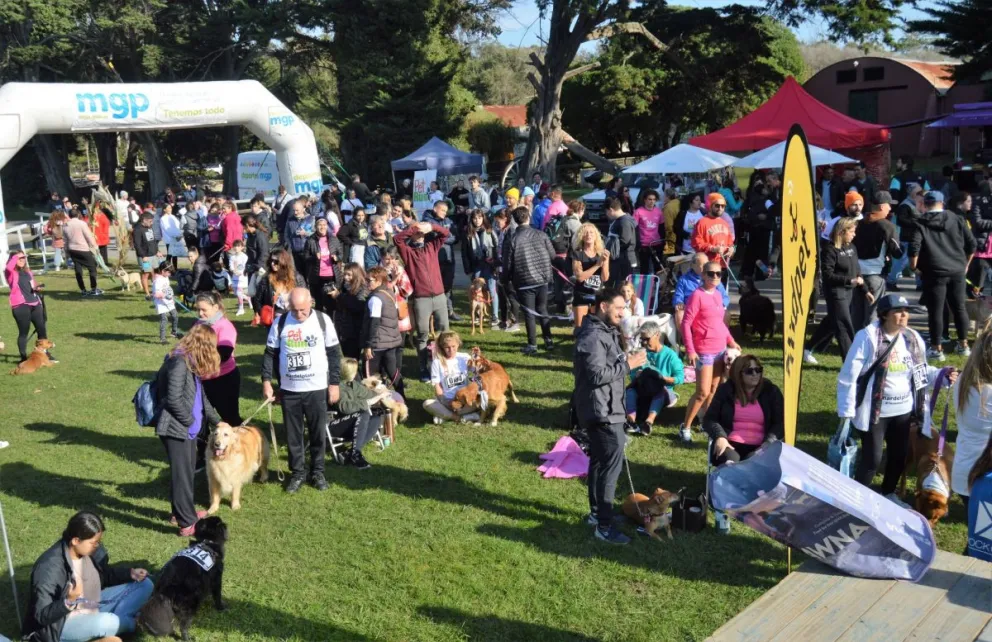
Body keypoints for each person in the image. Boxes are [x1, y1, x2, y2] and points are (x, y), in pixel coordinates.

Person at [837, 293, 949, 501]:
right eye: (898, 311)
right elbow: (848, 375)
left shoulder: (912, 338)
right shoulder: (867, 337)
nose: (904, 315)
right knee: (873, 459)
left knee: (898, 456)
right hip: (875, 412)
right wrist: (846, 411)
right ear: (884, 315)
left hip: (904, 411)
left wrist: (943, 375)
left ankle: (888, 494)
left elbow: (921, 371)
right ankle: (855, 499)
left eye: (906, 311)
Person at [574, 287, 647, 545]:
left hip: (607, 408)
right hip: (602, 412)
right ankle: (604, 527)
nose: (622, 312)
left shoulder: (604, 332)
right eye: (618, 308)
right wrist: (628, 365)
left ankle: (597, 515)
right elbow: (595, 376)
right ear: (603, 306)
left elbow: (605, 368)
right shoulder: (593, 336)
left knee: (599, 462)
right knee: (610, 468)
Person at [23, 511, 153, 642]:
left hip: (92, 603)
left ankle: (116, 623)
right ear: (76, 540)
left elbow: (102, 577)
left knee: (145, 584)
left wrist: (130, 574)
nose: (97, 545)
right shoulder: (49, 568)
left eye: (98, 541)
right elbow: (41, 616)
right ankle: (134, 623)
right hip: (63, 624)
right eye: (94, 542)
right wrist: (68, 601)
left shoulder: (87, 551)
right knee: (109, 621)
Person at [262, 287, 342, 493]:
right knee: (293, 434)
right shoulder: (280, 323)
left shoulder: (323, 321)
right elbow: (270, 353)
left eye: (303, 310)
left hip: (316, 388)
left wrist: (334, 383)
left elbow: (334, 354)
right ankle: (297, 473)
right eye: (295, 310)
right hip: (290, 390)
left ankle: (318, 472)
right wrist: (266, 381)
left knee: (317, 433)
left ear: (311, 303)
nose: (299, 314)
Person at [156, 325, 228, 535]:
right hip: (176, 429)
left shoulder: (189, 361)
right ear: (204, 344)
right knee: (181, 475)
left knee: (186, 473)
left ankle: (180, 513)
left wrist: (218, 421)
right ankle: (187, 522)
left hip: (187, 429)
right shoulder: (179, 362)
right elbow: (173, 399)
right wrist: (190, 421)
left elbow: (201, 398)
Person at [909, 190, 977, 360]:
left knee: (936, 311)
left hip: (933, 271)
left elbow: (914, 247)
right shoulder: (956, 218)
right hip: (957, 269)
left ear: (925, 204)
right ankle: (963, 345)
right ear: (942, 203)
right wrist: (966, 265)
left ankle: (936, 348)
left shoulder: (920, 222)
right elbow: (972, 244)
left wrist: (914, 267)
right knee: (959, 307)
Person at [680, 261, 741, 442]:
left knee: (714, 389)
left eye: (718, 273)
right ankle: (686, 427)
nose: (715, 277)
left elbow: (719, 324)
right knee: (702, 392)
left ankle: (707, 423)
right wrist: (690, 350)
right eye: (711, 273)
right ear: (703, 275)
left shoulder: (717, 295)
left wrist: (731, 340)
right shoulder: (696, 296)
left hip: (720, 349)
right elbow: (686, 323)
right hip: (704, 351)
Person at [804, 218, 868, 363]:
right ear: (841, 232)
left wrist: (865, 290)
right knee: (844, 324)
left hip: (849, 292)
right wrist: (849, 281)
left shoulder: (852, 247)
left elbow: (857, 270)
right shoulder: (830, 250)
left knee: (832, 322)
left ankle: (807, 349)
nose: (854, 235)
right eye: (851, 231)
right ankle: (851, 361)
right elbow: (828, 275)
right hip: (835, 293)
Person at [394, 220, 451, 381]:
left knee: (445, 331)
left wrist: (431, 227)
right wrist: (412, 229)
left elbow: (446, 233)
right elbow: (397, 239)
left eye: (421, 233)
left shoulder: (431, 246)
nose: (419, 235)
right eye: (416, 233)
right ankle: (423, 367)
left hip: (439, 296)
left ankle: (446, 364)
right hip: (421, 298)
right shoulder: (408, 251)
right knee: (422, 335)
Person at [703, 355, 784, 465]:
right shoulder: (725, 390)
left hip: (762, 444)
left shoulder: (771, 391)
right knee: (731, 463)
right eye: (749, 371)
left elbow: (780, 422)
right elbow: (709, 419)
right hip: (729, 442)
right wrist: (720, 437)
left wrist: (769, 442)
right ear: (738, 373)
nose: (755, 374)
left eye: (758, 370)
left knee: (752, 464)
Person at [951, 323, 992, 513]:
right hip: (984, 478)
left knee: (978, 538)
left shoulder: (964, 382)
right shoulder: (988, 394)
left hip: (964, 473)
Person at [505, 206, 555, 355]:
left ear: (514, 220)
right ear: (529, 217)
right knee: (542, 309)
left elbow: (507, 264)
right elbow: (552, 255)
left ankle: (532, 345)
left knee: (530, 313)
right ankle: (548, 340)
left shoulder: (513, 239)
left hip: (524, 281)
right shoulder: (541, 234)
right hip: (542, 278)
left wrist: (504, 280)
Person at [851, 192, 901, 330]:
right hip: (875, 274)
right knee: (872, 315)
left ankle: (855, 343)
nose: (890, 209)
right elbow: (897, 251)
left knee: (856, 313)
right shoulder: (887, 226)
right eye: (888, 206)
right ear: (881, 207)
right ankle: (870, 346)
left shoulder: (857, 223)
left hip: (856, 274)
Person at [624, 320, 683, 435]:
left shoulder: (670, 355)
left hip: (664, 390)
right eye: (642, 339)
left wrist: (662, 378)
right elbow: (632, 375)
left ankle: (648, 422)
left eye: (647, 339)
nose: (644, 343)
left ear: (657, 335)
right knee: (630, 391)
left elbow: (680, 378)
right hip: (644, 389)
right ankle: (631, 420)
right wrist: (636, 375)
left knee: (660, 391)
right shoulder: (642, 353)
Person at [194, 291, 243, 426]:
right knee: (200, 418)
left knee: (230, 418)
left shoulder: (225, 326)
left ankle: (239, 445)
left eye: (204, 310)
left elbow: (224, 354)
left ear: (215, 308)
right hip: (203, 380)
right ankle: (203, 446)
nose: (200, 313)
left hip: (224, 380)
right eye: (198, 309)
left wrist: (199, 361)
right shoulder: (198, 324)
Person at [360, 266, 405, 399]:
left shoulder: (375, 299)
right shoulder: (389, 293)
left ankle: (373, 401)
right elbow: (396, 313)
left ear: (379, 281)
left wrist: (369, 345)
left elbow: (374, 323)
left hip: (378, 343)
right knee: (393, 372)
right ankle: (402, 397)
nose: (367, 282)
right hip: (392, 341)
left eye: (370, 280)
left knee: (369, 376)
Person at [335, 358, 388, 469]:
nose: (356, 373)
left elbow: (369, 394)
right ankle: (355, 455)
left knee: (376, 419)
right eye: (355, 371)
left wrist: (380, 392)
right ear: (349, 372)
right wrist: (368, 402)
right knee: (363, 414)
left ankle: (350, 453)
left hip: (355, 424)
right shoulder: (338, 387)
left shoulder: (353, 384)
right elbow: (345, 408)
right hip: (337, 425)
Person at [422, 331, 481, 424]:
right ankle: (461, 417)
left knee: (481, 401)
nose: (451, 349)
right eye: (447, 347)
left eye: (453, 346)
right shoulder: (437, 362)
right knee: (427, 404)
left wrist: (476, 358)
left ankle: (445, 416)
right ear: (442, 347)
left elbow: (476, 371)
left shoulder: (464, 357)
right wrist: (447, 402)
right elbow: (438, 387)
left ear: (458, 344)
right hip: (446, 400)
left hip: (464, 400)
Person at [5, 251, 54, 364]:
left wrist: (37, 288)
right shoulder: (11, 272)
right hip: (21, 306)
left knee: (42, 329)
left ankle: (44, 354)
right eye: (20, 258)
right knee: (23, 333)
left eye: (24, 257)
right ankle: (23, 358)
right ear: (14, 259)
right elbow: (8, 267)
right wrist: (16, 256)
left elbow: (32, 285)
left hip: (35, 304)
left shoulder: (27, 272)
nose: (22, 259)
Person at [673, 252, 729, 343]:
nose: (705, 268)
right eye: (702, 265)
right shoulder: (684, 279)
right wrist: (679, 302)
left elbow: (724, 296)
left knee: (726, 314)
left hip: (711, 308)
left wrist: (722, 305)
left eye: (707, 265)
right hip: (691, 309)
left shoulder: (713, 276)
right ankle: (687, 340)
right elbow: (678, 295)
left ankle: (721, 339)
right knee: (679, 314)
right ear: (693, 265)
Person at [422, 200, 460, 320]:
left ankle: (450, 311)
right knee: (436, 288)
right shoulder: (427, 221)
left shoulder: (448, 221)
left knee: (448, 286)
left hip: (449, 258)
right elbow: (434, 237)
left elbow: (455, 237)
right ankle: (437, 314)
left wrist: (443, 238)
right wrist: (445, 237)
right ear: (435, 209)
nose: (445, 213)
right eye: (442, 210)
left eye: (446, 211)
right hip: (434, 260)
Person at [462, 209, 500, 327]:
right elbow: (465, 253)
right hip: (476, 265)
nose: (477, 220)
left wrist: (496, 265)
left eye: (479, 218)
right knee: (476, 290)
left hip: (489, 264)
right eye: (474, 218)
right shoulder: (468, 233)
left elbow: (497, 248)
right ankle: (478, 315)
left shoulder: (490, 231)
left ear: (483, 218)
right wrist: (467, 269)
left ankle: (494, 316)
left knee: (492, 289)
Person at [252, 249, 306, 326]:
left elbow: (305, 297)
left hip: (294, 314)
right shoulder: (266, 279)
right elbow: (257, 299)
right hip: (275, 317)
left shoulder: (296, 278)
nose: (272, 264)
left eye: (276, 261)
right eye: (271, 261)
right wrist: (263, 313)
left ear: (283, 262)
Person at [572, 222, 610, 331]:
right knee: (579, 328)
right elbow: (580, 277)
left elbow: (605, 278)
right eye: (586, 233)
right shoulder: (577, 254)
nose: (589, 235)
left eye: (592, 233)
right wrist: (597, 265)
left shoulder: (602, 253)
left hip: (597, 294)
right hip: (581, 293)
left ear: (596, 236)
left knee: (597, 327)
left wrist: (605, 262)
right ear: (582, 236)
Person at [887, 183, 925, 291]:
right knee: (902, 262)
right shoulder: (905, 205)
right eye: (918, 192)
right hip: (908, 238)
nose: (921, 194)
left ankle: (920, 283)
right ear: (912, 193)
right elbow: (901, 221)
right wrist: (916, 223)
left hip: (916, 238)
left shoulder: (917, 204)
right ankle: (891, 281)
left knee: (918, 261)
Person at [303, 217, 343, 317]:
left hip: (331, 275)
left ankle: (330, 322)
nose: (322, 227)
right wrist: (314, 258)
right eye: (319, 225)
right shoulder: (311, 240)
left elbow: (341, 254)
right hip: (316, 276)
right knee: (318, 302)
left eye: (324, 225)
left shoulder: (333, 239)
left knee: (330, 303)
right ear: (316, 227)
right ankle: (319, 322)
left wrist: (336, 257)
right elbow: (305, 257)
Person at [329, 263, 368, 359]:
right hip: (343, 327)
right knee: (344, 356)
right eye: (344, 274)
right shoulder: (344, 286)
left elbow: (357, 305)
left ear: (356, 274)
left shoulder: (362, 288)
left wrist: (339, 296)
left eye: (349, 275)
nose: (346, 277)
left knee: (352, 358)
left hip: (355, 330)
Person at [64, 208, 102, 297]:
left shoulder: (65, 225)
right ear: (78, 215)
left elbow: (65, 240)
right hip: (83, 248)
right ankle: (93, 288)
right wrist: (95, 247)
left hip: (72, 249)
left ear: (69, 215)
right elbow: (89, 236)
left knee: (78, 270)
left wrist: (66, 252)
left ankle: (83, 290)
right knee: (92, 268)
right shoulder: (82, 224)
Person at [691, 193, 735, 265]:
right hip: (707, 266)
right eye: (717, 205)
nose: (720, 208)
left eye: (723, 206)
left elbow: (730, 243)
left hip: (723, 265)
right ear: (710, 206)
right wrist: (712, 248)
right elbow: (696, 244)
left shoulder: (725, 223)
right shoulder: (701, 222)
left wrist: (732, 249)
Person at [604, 197, 638, 286]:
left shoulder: (624, 222)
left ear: (610, 210)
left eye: (606, 212)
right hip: (620, 259)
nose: (606, 214)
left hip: (624, 260)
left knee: (622, 286)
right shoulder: (620, 220)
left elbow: (625, 241)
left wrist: (610, 248)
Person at [283, 199, 315, 281]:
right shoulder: (290, 220)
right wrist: (290, 244)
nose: (295, 212)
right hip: (295, 252)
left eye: (297, 210)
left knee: (309, 274)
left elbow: (315, 233)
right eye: (294, 210)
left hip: (308, 252)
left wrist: (306, 233)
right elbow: (286, 234)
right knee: (300, 275)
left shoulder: (310, 219)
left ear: (303, 209)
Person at [633, 189, 664, 274]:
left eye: (654, 199)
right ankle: (644, 285)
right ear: (645, 200)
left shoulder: (658, 211)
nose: (652, 201)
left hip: (656, 243)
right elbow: (634, 229)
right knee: (644, 267)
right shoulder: (638, 212)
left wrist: (662, 241)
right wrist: (637, 243)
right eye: (649, 199)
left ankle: (658, 285)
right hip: (644, 245)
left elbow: (661, 227)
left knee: (658, 267)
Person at [132, 212, 162, 299]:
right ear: (144, 220)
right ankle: (147, 295)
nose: (151, 223)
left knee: (154, 273)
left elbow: (153, 241)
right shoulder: (137, 230)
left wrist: (157, 251)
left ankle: (155, 291)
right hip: (145, 257)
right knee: (145, 274)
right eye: (150, 221)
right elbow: (137, 245)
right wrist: (143, 256)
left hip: (153, 255)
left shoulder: (149, 227)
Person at [152, 263, 180, 345]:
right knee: (164, 320)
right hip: (161, 303)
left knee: (175, 316)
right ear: (163, 271)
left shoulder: (166, 277)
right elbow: (156, 294)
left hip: (169, 301)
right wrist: (166, 296)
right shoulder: (157, 281)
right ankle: (162, 339)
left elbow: (168, 288)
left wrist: (172, 297)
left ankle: (174, 332)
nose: (170, 274)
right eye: (169, 272)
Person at [227, 239, 250, 316]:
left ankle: (241, 309)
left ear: (242, 247)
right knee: (236, 292)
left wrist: (240, 272)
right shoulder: (232, 257)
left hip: (242, 277)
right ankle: (248, 298)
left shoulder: (244, 256)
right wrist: (233, 270)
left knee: (239, 292)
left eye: (238, 246)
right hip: (234, 276)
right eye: (235, 246)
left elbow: (244, 266)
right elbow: (230, 265)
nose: (236, 248)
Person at [159, 204, 184, 271]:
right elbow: (167, 229)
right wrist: (176, 236)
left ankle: (175, 268)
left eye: (170, 208)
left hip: (176, 238)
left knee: (175, 254)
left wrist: (180, 234)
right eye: (168, 208)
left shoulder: (172, 216)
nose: (170, 209)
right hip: (169, 239)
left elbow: (178, 225)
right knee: (170, 254)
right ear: (164, 209)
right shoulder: (163, 218)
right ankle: (167, 268)